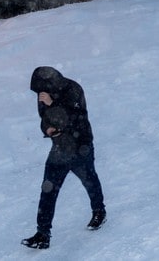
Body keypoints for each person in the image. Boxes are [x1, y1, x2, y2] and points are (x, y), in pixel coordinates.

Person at [21, 66, 106, 250]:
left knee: (89, 180)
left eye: (42, 90)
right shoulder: (43, 95)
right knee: (48, 189)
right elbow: (45, 118)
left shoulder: (73, 89)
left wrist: (53, 104)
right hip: (59, 148)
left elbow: (78, 118)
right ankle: (43, 234)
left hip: (80, 146)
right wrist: (47, 129)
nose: (40, 95)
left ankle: (99, 211)